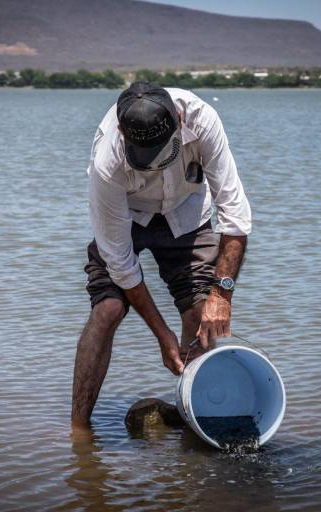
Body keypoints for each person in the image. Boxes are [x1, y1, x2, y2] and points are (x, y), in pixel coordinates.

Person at [71, 81, 251, 427]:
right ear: (123, 132)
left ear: (179, 119)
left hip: (186, 211)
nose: (152, 164)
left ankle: (192, 416)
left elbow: (235, 215)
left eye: (161, 151)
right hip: (129, 215)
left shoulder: (203, 120)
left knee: (202, 314)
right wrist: (162, 334)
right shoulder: (107, 159)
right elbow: (121, 263)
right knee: (108, 309)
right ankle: (79, 432)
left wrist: (222, 294)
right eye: (143, 155)